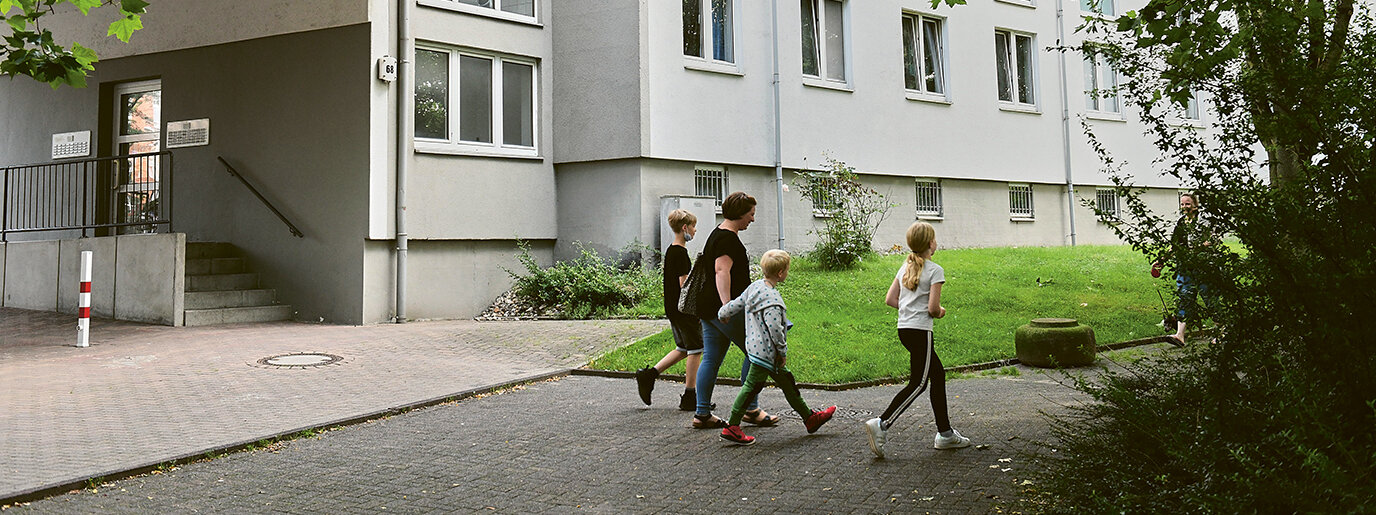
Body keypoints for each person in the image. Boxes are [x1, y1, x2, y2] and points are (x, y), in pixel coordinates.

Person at [863, 221, 970, 458]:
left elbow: (891, 300)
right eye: (934, 238)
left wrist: (910, 308)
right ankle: (882, 423)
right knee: (919, 383)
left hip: (904, 329)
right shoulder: (935, 270)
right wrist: (940, 311)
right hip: (921, 331)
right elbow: (933, 309)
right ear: (930, 244)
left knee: (937, 375)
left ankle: (945, 434)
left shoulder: (905, 268)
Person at [716, 250, 837, 445]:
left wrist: (723, 313)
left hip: (756, 349)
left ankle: (810, 418)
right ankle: (732, 426)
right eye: (787, 269)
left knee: (787, 382)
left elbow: (736, 303)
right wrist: (782, 353)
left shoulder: (754, 287)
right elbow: (776, 331)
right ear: (780, 273)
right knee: (750, 387)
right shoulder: (773, 301)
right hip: (766, 355)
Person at [691, 192, 778, 429]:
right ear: (740, 213)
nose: (752, 219)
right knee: (756, 353)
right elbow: (722, 271)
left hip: (708, 308)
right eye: (751, 214)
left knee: (710, 359)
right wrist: (727, 307)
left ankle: (702, 413)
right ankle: (751, 409)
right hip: (724, 309)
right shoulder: (728, 239)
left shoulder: (717, 233)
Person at [635, 209, 703, 410]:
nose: (695, 230)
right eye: (693, 226)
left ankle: (648, 375)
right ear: (685, 228)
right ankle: (690, 397)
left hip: (673, 308)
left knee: (683, 348)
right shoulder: (680, 253)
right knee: (696, 349)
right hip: (684, 310)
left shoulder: (671, 250)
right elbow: (685, 286)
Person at [1154, 192, 1218, 345]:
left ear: (1195, 205)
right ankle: (1180, 336)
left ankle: (1221, 333)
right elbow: (1174, 245)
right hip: (1185, 268)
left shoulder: (1204, 222)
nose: (1184, 207)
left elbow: (1213, 241)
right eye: (1182, 204)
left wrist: (1198, 248)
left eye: (1187, 204)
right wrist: (1161, 260)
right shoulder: (1181, 223)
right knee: (1185, 299)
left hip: (1202, 266)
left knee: (1210, 298)